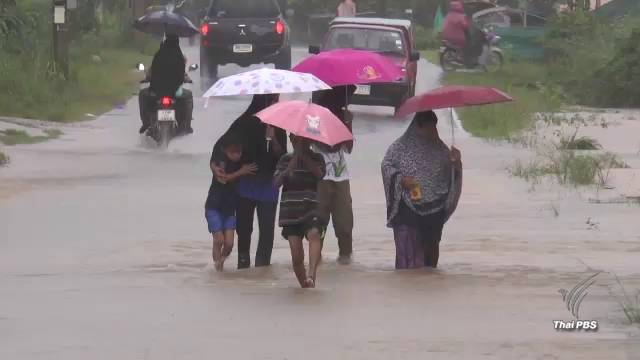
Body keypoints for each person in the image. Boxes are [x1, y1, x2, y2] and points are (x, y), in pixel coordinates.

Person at [381, 111, 463, 269]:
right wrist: (401, 179)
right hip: (407, 206)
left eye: (434, 127)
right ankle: (409, 287)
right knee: (408, 253)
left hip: (434, 210)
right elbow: (386, 166)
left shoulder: (442, 151)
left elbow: (451, 179)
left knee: (430, 256)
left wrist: (456, 164)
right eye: (428, 127)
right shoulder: (399, 148)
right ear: (417, 127)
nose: (432, 131)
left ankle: (429, 285)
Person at [216, 94, 288, 269]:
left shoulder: (278, 125)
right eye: (274, 99)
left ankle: (262, 268)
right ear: (264, 101)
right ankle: (243, 264)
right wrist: (222, 167)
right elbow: (222, 145)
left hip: (269, 185)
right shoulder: (243, 123)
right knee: (244, 229)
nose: (277, 102)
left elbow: (283, 156)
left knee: (267, 230)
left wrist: (274, 138)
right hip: (245, 183)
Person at [274, 135, 326, 288]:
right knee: (296, 257)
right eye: (296, 140)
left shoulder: (317, 157)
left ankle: (311, 276)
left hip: (311, 208)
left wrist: (304, 157)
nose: (300, 143)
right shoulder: (285, 159)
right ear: (291, 140)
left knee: (314, 234)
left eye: (304, 140)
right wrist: (289, 168)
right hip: (290, 212)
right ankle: (305, 285)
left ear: (310, 141)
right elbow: (276, 183)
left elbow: (320, 174)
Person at [311, 86, 356, 264]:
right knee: (318, 223)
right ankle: (316, 261)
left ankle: (345, 261)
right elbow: (318, 143)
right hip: (320, 178)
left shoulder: (343, 117)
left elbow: (349, 149)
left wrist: (348, 125)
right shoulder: (315, 117)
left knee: (345, 225)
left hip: (340, 177)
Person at [205, 132, 257, 271]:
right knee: (219, 240)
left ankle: (220, 262)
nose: (236, 155)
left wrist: (243, 169)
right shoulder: (221, 161)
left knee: (229, 244)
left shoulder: (240, 162)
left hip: (229, 209)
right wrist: (242, 171)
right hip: (214, 206)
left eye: (238, 152)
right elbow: (222, 178)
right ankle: (217, 271)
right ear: (225, 150)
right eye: (232, 152)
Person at [139, 34, 194, 135]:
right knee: (188, 96)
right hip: (174, 92)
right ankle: (187, 126)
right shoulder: (180, 57)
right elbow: (181, 75)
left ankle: (145, 123)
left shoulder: (158, 55)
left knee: (142, 95)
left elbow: (152, 72)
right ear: (177, 43)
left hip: (156, 91)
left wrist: (148, 78)